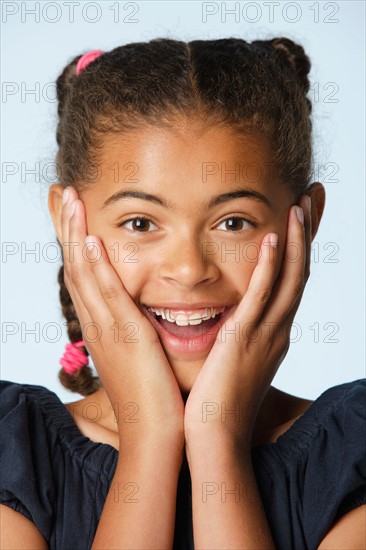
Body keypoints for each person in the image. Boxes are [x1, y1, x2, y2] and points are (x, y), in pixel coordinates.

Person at [1, 37, 365, 550]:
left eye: (233, 222)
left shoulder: (353, 451)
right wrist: (150, 435)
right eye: (141, 221)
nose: (190, 270)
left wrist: (219, 441)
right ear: (67, 222)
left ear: (306, 222)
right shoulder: (13, 452)